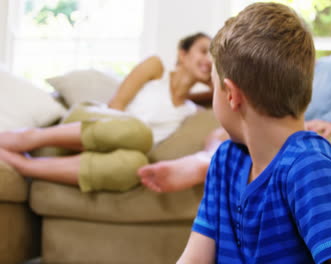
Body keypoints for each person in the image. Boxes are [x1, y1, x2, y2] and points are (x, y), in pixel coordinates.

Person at [177, 2, 331, 263]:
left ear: (231, 94)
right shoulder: (225, 162)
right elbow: (194, 258)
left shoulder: (310, 167)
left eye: (214, 86)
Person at [138, 55, 331, 193]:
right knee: (222, 135)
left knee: (295, 146)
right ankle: (205, 162)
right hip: (296, 139)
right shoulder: (277, 85)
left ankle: (217, 167)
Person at [0, 32, 213, 192]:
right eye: (203, 51)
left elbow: (224, 96)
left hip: (115, 153)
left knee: (136, 166)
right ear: (182, 54)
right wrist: (108, 141)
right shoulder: (156, 68)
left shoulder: (191, 110)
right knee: (139, 132)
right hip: (93, 120)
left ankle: (25, 166)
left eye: (214, 57)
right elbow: (116, 105)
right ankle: (31, 137)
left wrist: (217, 78)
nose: (208, 60)